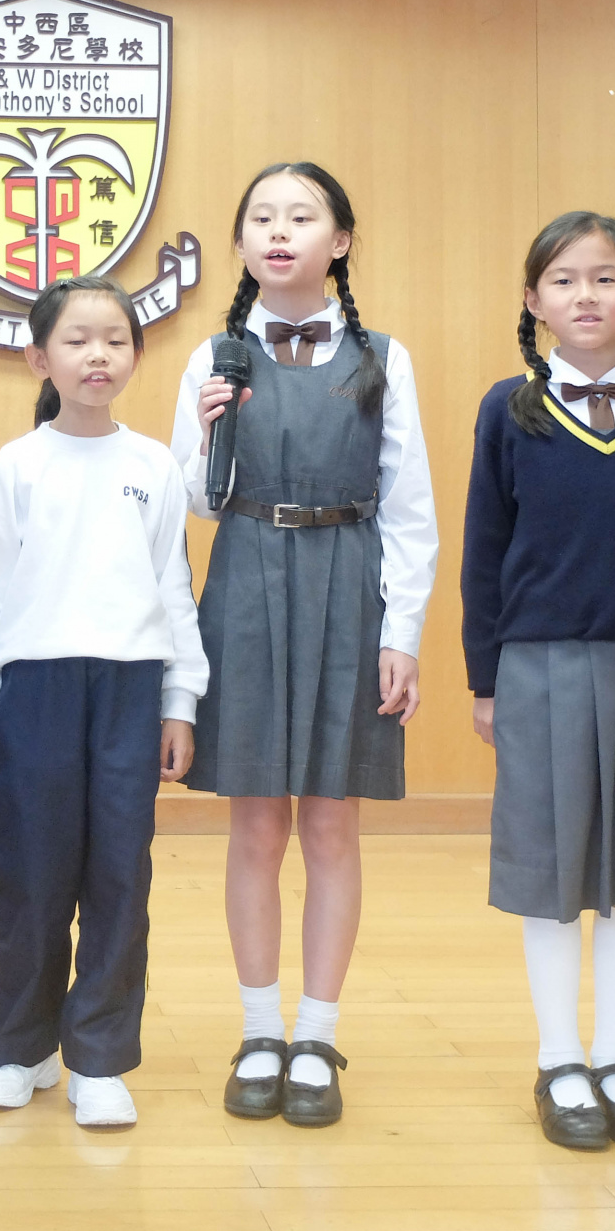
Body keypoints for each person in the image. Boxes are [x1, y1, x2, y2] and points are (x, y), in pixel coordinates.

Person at [171, 162, 438, 1128]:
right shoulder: (213, 356)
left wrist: (401, 632)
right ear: (242, 243)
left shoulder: (382, 358)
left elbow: (409, 509)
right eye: (261, 218)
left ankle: (317, 1034)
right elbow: (192, 504)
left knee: (330, 826)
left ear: (341, 240)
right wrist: (209, 434)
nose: (279, 232)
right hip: (245, 581)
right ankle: (258, 1031)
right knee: (254, 827)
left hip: (346, 585)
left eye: (301, 216)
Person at [462, 211, 615, 1150]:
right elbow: (486, 549)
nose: (586, 296)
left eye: (606, 278)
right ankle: (560, 1057)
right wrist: (485, 675)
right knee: (552, 865)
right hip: (542, 660)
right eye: (564, 280)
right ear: (534, 300)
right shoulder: (508, 410)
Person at [0, 275, 206, 1128]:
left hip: (131, 687)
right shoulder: (20, 463)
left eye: (115, 340)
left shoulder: (153, 465)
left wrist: (181, 700)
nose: (97, 355)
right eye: (76, 340)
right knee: (30, 873)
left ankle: (99, 1056)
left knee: (118, 874)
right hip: (36, 689)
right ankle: (22, 1048)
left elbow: (173, 586)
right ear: (40, 359)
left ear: (135, 355)